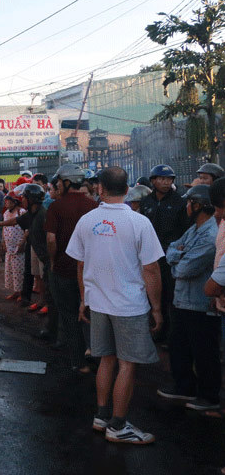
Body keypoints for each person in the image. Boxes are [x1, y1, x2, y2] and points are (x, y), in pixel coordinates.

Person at [67, 166, 163, 444]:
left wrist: (84, 299)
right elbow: (152, 270)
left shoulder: (87, 220)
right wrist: (156, 308)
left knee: (105, 361)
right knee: (127, 365)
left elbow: (80, 263)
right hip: (129, 306)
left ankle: (102, 416)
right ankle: (118, 426)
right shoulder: (139, 222)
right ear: (127, 190)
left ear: (100, 188)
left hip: (98, 303)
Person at [157, 184, 221, 411]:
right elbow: (171, 249)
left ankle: (209, 396)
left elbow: (184, 270)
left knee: (204, 351)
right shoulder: (194, 228)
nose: (185, 207)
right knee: (179, 345)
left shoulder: (211, 234)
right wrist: (178, 255)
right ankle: (184, 387)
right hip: (183, 300)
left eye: (189, 203)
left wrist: (177, 258)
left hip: (199, 303)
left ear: (199, 206)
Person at [45, 164, 98, 372]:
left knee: (69, 315)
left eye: (58, 182)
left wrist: (52, 260)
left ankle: (79, 362)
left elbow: (51, 239)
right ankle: (96, 353)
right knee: (91, 314)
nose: (57, 185)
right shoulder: (93, 206)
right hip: (90, 273)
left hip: (64, 270)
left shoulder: (56, 207)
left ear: (66, 182)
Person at [140, 164, 191, 341]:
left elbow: (186, 230)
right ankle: (155, 332)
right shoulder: (146, 202)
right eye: (161, 179)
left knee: (171, 296)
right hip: (149, 257)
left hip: (171, 257)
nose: (165, 182)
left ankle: (172, 336)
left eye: (169, 179)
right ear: (153, 181)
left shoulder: (179, 202)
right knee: (152, 295)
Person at [0, 193, 27, 300]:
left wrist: (23, 242)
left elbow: (27, 230)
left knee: (20, 269)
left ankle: (21, 292)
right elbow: (4, 227)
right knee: (11, 269)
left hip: (18, 245)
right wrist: (3, 241)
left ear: (15, 202)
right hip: (9, 245)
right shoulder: (6, 213)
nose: (6, 203)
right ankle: (16, 291)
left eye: (8, 201)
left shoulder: (22, 212)